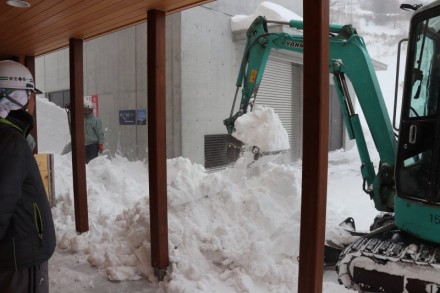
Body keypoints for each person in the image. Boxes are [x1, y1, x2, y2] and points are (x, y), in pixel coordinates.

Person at [0, 60, 56, 292]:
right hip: (21, 256)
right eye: (29, 94)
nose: (32, 101)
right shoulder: (11, 142)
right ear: (13, 97)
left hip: (16, 251)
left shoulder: (9, 138)